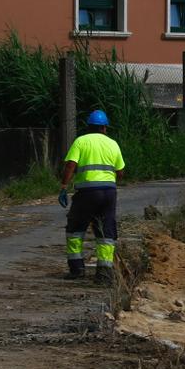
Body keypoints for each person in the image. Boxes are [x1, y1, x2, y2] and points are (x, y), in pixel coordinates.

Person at [58, 110, 125, 283]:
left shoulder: (81, 141)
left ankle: (77, 269)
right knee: (106, 232)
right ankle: (104, 274)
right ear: (104, 127)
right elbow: (121, 171)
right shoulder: (113, 144)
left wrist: (64, 186)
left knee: (75, 229)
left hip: (86, 193)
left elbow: (70, 165)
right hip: (109, 193)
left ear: (89, 126)